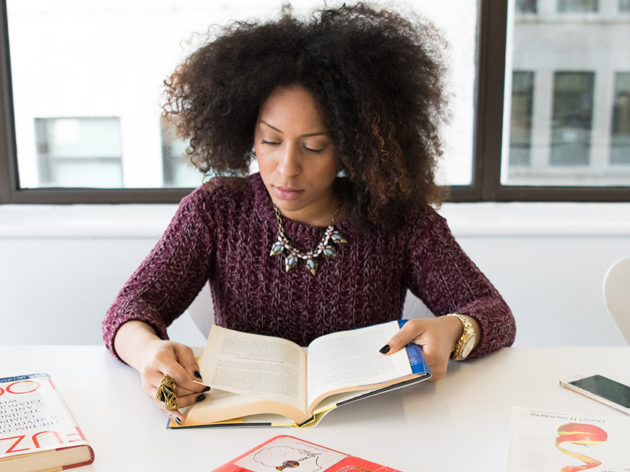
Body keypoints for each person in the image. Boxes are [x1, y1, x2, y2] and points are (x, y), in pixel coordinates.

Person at [102, 3, 516, 424]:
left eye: (314, 146)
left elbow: (494, 313)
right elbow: (130, 307)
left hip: (369, 424)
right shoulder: (216, 210)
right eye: (269, 141)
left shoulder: (398, 219)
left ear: (354, 146)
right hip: (241, 427)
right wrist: (147, 351)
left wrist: (453, 330)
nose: (286, 168)